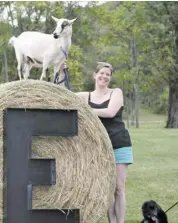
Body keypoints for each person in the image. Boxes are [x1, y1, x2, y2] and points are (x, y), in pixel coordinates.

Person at [75, 62, 133, 223]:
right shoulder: (85, 96)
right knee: (107, 188)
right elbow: (64, 94)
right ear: (94, 75)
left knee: (119, 188)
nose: (105, 76)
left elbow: (110, 112)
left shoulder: (116, 92)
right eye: (102, 73)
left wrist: (86, 110)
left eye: (108, 74)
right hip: (99, 147)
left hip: (119, 142)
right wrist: (60, 69)